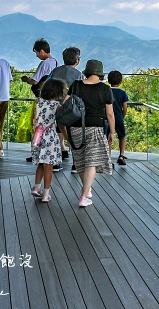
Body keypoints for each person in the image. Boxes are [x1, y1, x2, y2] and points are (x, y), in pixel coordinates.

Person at [67, 59, 114, 207]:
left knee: (80, 161)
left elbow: (67, 103)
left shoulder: (75, 85)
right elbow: (110, 114)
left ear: (86, 71)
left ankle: (86, 191)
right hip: (95, 127)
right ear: (100, 73)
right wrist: (112, 131)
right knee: (91, 162)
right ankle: (83, 195)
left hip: (75, 127)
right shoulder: (105, 89)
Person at [30, 79, 65, 203]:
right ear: (58, 92)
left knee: (41, 163)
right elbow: (61, 124)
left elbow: (35, 119)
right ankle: (46, 193)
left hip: (37, 136)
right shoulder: (56, 106)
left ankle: (36, 187)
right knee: (48, 166)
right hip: (50, 137)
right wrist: (66, 137)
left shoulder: (38, 103)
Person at [49, 46, 82, 161]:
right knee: (72, 130)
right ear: (77, 60)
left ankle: (61, 151)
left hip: (55, 104)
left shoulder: (56, 71)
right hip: (71, 107)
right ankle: (74, 156)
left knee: (58, 127)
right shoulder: (78, 74)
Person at [109, 70, 130, 165]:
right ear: (120, 81)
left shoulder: (107, 91)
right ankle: (121, 155)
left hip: (108, 118)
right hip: (118, 117)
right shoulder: (122, 93)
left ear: (109, 81)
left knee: (108, 137)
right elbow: (125, 108)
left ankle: (108, 158)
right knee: (122, 136)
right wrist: (122, 116)